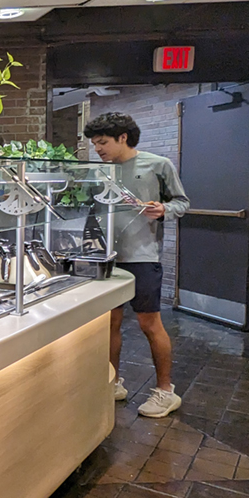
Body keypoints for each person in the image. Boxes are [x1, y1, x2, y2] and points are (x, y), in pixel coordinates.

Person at [84, 112, 189, 419]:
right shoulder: (98, 171)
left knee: (149, 323)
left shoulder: (158, 165)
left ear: (123, 138)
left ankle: (165, 391)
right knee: (110, 323)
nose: (97, 149)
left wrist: (163, 209)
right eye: (94, 144)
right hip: (106, 257)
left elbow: (182, 202)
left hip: (143, 256)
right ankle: (112, 382)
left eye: (102, 142)